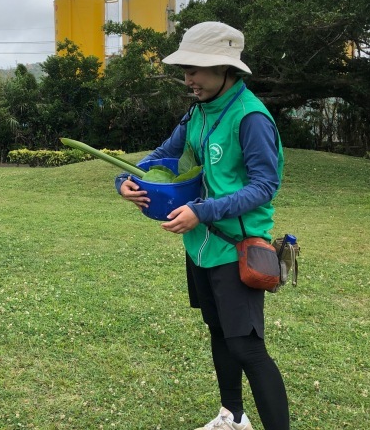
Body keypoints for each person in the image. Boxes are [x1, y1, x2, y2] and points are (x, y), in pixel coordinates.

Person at [115, 22, 289, 430]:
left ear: (227, 69)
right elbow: (162, 156)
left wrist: (203, 211)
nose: (188, 78)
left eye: (196, 68)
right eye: (185, 69)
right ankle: (233, 416)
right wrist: (127, 181)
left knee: (247, 348)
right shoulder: (196, 112)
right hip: (200, 245)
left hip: (236, 246)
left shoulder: (251, 118)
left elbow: (265, 186)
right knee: (218, 331)